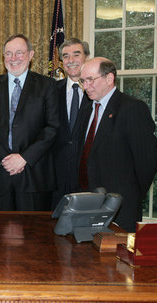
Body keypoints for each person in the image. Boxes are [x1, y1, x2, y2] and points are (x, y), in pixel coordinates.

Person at [0, 34, 59, 211]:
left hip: (34, 175)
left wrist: (24, 158)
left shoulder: (48, 85)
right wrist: (3, 157)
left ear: (30, 55)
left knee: (34, 235)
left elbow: (52, 127)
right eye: (8, 53)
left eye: (19, 53)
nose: (13, 59)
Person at [77, 57, 157, 232]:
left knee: (117, 257)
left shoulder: (132, 108)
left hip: (121, 206)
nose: (85, 86)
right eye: (83, 81)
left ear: (109, 78)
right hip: (88, 202)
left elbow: (147, 161)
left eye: (90, 80)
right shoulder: (86, 110)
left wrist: (132, 196)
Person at [51, 38, 92, 208]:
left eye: (76, 54)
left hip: (87, 176)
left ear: (87, 57)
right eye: (66, 56)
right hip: (56, 177)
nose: (71, 60)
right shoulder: (51, 91)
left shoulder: (96, 92)